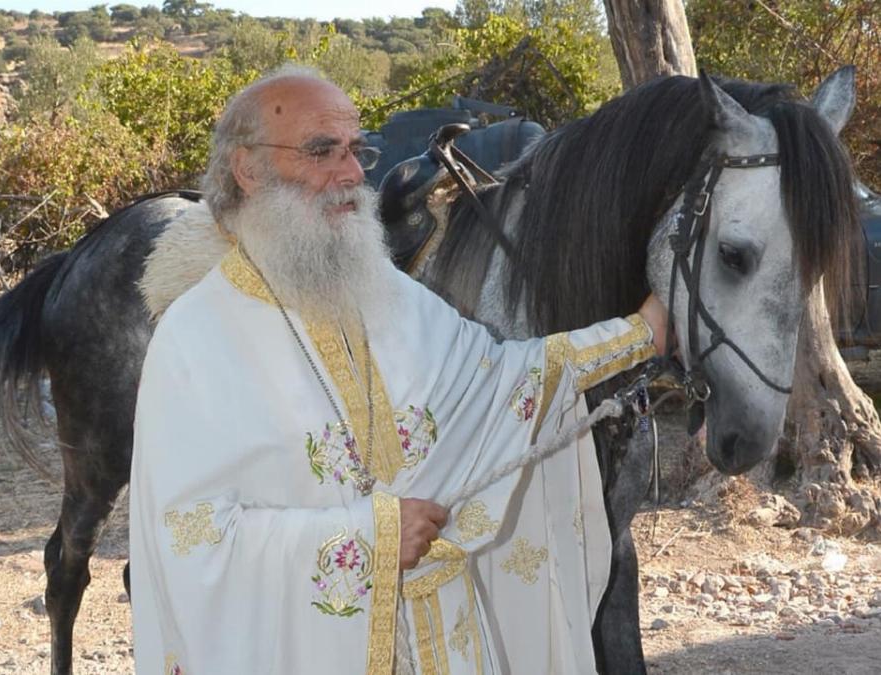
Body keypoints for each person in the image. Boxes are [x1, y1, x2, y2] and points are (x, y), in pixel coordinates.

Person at [129, 64, 668, 675]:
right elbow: (189, 542)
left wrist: (640, 335)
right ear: (247, 170)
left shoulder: (385, 292)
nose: (352, 174)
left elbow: (502, 380)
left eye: (356, 151)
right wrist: (374, 537)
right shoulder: (195, 340)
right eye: (322, 151)